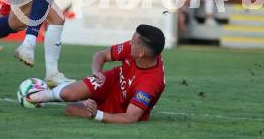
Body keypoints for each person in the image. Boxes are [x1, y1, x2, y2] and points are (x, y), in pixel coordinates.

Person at [26, 24, 165, 124]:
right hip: (112, 80)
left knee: (70, 109)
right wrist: (97, 71)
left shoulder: (150, 83)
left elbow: (130, 118)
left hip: (120, 108)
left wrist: (97, 115)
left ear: (141, 53)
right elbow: (102, 55)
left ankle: (83, 100)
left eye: (133, 42)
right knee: (68, 94)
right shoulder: (133, 49)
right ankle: (47, 94)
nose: (130, 43)